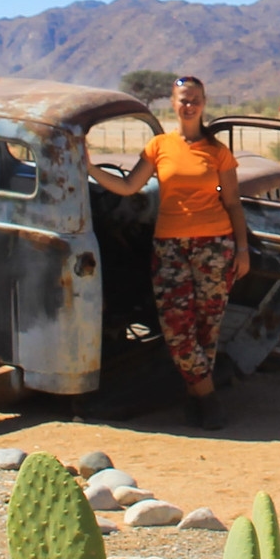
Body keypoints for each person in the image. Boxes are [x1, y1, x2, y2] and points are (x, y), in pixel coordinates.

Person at [88, 75, 247, 430]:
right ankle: (208, 396)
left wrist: (243, 249)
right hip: (170, 247)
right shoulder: (159, 146)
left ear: (204, 103)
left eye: (195, 99)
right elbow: (129, 186)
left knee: (207, 329)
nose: (189, 105)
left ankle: (194, 399)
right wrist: (90, 169)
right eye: (183, 99)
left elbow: (233, 203)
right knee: (177, 327)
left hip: (215, 246)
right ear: (172, 103)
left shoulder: (218, 152)